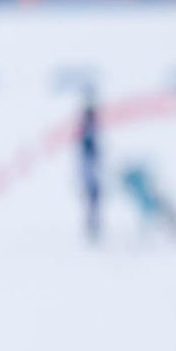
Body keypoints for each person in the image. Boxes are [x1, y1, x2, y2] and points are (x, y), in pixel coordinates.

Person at [78, 94, 102, 243]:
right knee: (93, 200)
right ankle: (92, 227)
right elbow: (89, 151)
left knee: (94, 201)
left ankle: (93, 226)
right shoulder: (88, 130)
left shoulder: (89, 130)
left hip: (91, 172)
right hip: (90, 173)